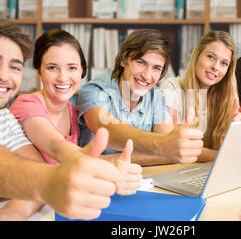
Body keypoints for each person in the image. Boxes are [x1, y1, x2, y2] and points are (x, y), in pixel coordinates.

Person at [0, 19, 122, 221]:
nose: (3, 75)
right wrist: (51, 182)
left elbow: (42, 169)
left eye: (14, 66)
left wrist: (18, 209)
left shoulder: (3, 119)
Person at [9, 30, 142, 197]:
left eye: (72, 68)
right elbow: (56, 147)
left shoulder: (75, 112)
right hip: (21, 201)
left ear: (82, 71)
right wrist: (108, 172)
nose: (63, 77)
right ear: (39, 71)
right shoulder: (26, 104)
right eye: (52, 68)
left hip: (56, 199)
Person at [77, 29, 203, 166]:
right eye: (141, 62)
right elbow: (110, 132)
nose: (147, 76)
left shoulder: (156, 95)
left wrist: (113, 159)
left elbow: (170, 153)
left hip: (136, 178)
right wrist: (164, 146)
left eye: (156, 68)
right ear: (124, 60)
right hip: (94, 178)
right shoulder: (94, 90)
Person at [159, 30, 241, 162]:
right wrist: (224, 157)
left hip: (207, 171)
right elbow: (172, 147)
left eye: (224, 63)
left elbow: (239, 151)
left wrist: (234, 132)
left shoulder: (228, 97)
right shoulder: (171, 88)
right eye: (210, 57)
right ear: (197, 55)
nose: (215, 67)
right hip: (175, 170)